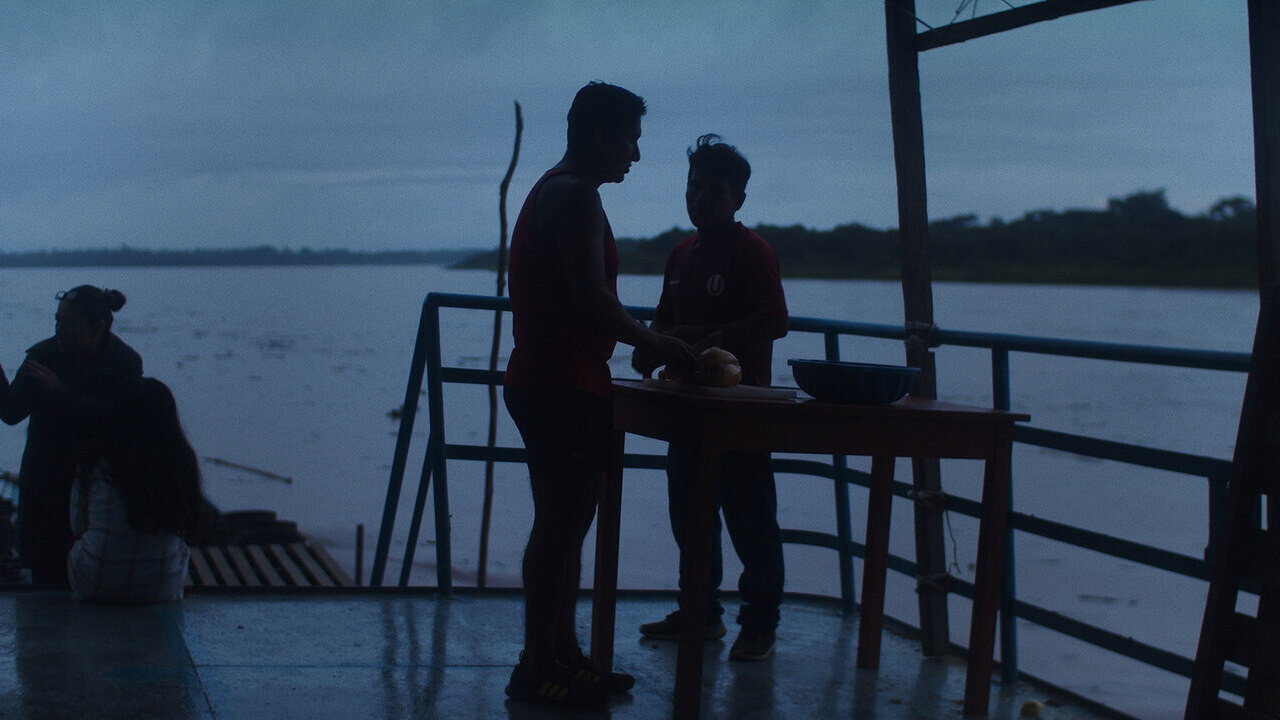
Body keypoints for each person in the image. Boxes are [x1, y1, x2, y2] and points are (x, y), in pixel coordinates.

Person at [502, 81, 696, 706]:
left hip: (555, 380)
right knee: (559, 528)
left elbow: (587, 300)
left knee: (567, 526)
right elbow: (592, 299)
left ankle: (563, 655)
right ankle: (537, 666)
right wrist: (658, 341)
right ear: (600, 136)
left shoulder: (556, 191)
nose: (635, 155)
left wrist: (641, 337)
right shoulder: (575, 196)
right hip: (559, 384)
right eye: (630, 140)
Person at [632, 134, 789, 661]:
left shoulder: (752, 251)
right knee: (690, 513)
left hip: (743, 410)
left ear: (738, 198)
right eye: (694, 187)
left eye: (714, 190)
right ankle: (700, 611)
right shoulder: (680, 255)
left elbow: (775, 320)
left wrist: (706, 340)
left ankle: (760, 621)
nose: (700, 198)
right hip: (686, 410)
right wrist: (649, 346)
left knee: (750, 518)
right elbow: (664, 319)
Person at [0, 285, 142, 585]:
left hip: (100, 489)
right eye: (57, 321)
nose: (59, 331)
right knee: (43, 573)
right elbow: (11, 412)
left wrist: (59, 392)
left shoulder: (125, 363)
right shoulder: (43, 356)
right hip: (44, 486)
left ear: (97, 327)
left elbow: (120, 424)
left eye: (68, 324)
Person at [68, 377, 202, 603]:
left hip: (95, 584)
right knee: (179, 547)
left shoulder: (93, 459)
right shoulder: (180, 460)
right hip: (161, 588)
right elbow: (188, 522)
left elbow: (77, 524)